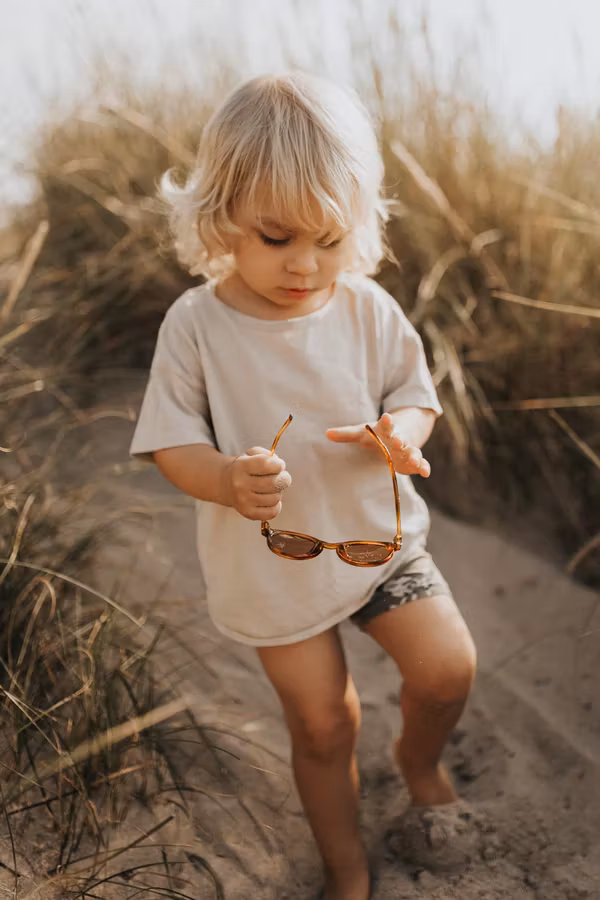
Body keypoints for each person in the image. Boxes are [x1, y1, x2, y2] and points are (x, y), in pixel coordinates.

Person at [130, 71, 477, 900]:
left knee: (447, 669)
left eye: (327, 238)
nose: (305, 264)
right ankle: (345, 865)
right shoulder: (197, 326)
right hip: (275, 563)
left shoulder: (365, 308)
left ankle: (416, 761)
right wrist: (224, 477)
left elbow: (413, 392)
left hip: (378, 539)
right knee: (325, 725)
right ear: (220, 220)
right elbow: (171, 442)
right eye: (277, 237)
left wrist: (404, 436)